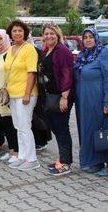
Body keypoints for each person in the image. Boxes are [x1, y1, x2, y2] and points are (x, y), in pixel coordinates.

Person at [74, 28, 108, 177]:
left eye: (91, 37)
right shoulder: (83, 55)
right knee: (91, 130)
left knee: (106, 129)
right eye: (85, 37)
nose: (88, 40)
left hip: (100, 99)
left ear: (96, 39)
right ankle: (96, 161)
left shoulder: (104, 53)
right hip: (85, 100)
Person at [4, 20, 40, 171]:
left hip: (26, 94)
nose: (17, 33)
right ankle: (22, 156)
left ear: (25, 32)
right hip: (13, 93)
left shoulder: (29, 49)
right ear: (10, 34)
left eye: (20, 30)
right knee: (18, 126)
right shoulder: (11, 49)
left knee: (25, 126)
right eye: (14, 31)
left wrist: (26, 94)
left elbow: (31, 72)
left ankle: (32, 159)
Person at [40, 24, 74, 176]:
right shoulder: (47, 50)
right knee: (56, 127)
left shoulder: (62, 50)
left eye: (52, 33)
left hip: (61, 96)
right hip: (51, 95)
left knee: (62, 129)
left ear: (57, 34)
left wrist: (64, 97)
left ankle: (66, 163)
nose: (49, 36)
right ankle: (62, 158)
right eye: (46, 34)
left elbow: (67, 73)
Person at [0, 29, 19, 162]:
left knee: (11, 124)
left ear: (6, 39)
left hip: (8, 94)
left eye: (0, 38)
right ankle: (11, 149)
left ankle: (16, 152)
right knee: (5, 123)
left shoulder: (11, 53)